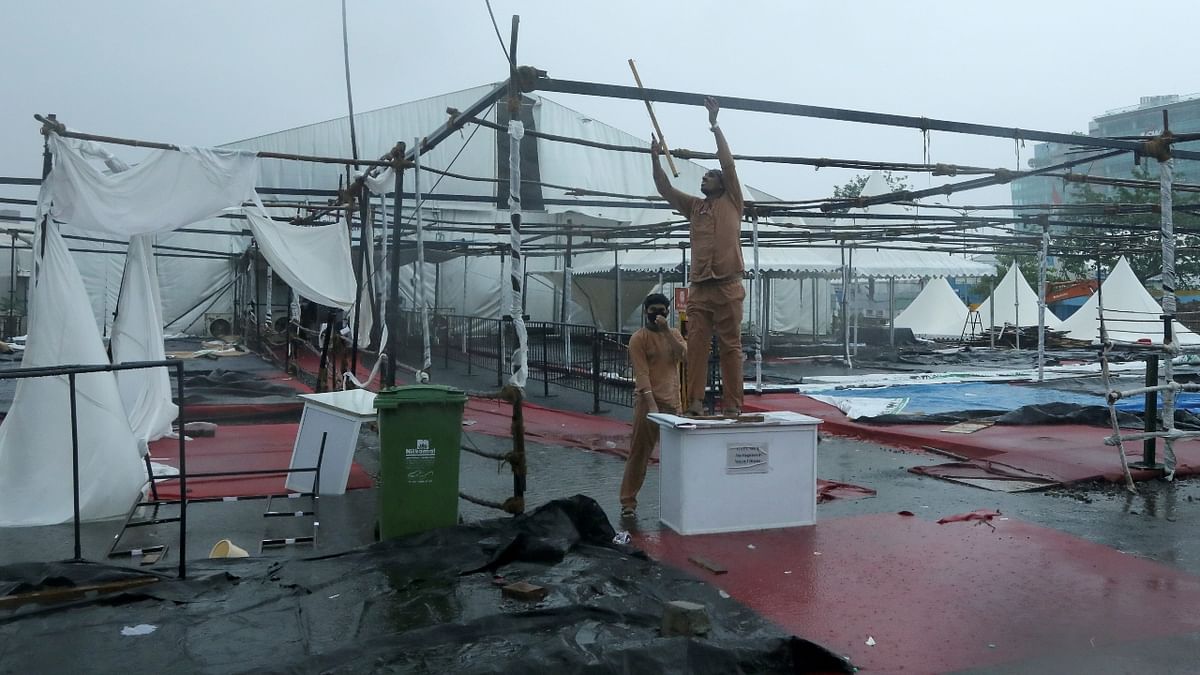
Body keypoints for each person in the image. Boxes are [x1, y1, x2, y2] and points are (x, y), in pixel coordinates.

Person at [651, 96, 745, 416]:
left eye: (710, 175)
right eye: (704, 176)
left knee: (731, 346)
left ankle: (733, 405)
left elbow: (728, 163)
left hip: (728, 284)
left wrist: (714, 125)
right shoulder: (694, 207)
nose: (704, 178)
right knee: (696, 349)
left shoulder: (732, 199)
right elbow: (665, 189)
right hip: (701, 288)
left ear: (722, 183)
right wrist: (655, 159)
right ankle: (694, 403)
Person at [619, 293, 686, 518]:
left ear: (668, 312)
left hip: (673, 404)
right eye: (653, 309)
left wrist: (667, 331)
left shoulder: (674, 334)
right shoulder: (639, 339)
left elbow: (684, 355)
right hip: (648, 405)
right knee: (639, 453)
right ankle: (628, 501)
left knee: (678, 456)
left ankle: (680, 500)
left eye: (663, 310)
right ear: (645, 311)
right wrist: (651, 405)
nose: (658, 314)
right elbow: (642, 373)